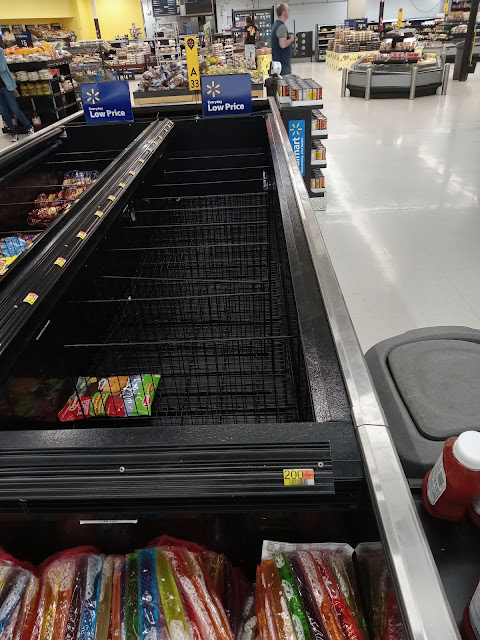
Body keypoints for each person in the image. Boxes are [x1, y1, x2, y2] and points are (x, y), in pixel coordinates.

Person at [0, 44, 34, 142]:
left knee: (15, 109)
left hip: (6, 86)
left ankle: (29, 127)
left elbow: (2, 68)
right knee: (3, 112)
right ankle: (13, 132)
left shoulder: (0, 51)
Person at [271, 3, 294, 76]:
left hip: (277, 62)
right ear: (284, 12)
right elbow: (282, 45)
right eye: (288, 10)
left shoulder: (275, 25)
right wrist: (291, 39)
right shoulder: (281, 26)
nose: (289, 12)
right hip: (283, 63)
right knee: (285, 81)